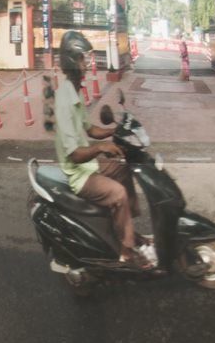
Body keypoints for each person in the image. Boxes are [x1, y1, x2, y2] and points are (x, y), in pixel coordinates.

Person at [52, 30, 157, 270]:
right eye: (82, 59)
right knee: (118, 193)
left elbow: (89, 130)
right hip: (79, 175)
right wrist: (101, 148)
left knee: (125, 166)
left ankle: (127, 229)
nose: (87, 64)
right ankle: (126, 253)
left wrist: (115, 131)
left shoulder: (74, 93)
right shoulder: (64, 100)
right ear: (71, 62)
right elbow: (74, 154)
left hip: (88, 165)